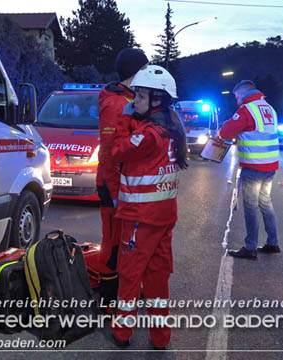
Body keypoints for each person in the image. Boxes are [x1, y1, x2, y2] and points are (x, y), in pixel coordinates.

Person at [111, 65, 187, 350]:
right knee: (157, 279)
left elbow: (118, 149)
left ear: (157, 100)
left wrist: (123, 118)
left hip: (140, 219)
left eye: (140, 96)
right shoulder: (171, 131)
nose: (134, 101)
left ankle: (122, 332)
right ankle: (160, 337)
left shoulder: (148, 135)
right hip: (163, 217)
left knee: (130, 277)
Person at [95, 48, 149, 310]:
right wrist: (116, 195)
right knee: (113, 242)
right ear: (136, 72)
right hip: (111, 183)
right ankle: (108, 297)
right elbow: (109, 154)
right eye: (145, 69)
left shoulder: (127, 98)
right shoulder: (116, 103)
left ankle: (122, 291)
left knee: (125, 241)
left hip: (121, 183)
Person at [216, 80, 280, 260]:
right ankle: (273, 243)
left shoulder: (247, 109)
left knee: (250, 207)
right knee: (265, 203)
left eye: (237, 97)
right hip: (270, 165)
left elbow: (227, 131)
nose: (237, 101)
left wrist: (222, 132)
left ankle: (250, 247)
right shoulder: (268, 108)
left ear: (243, 94)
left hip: (254, 166)